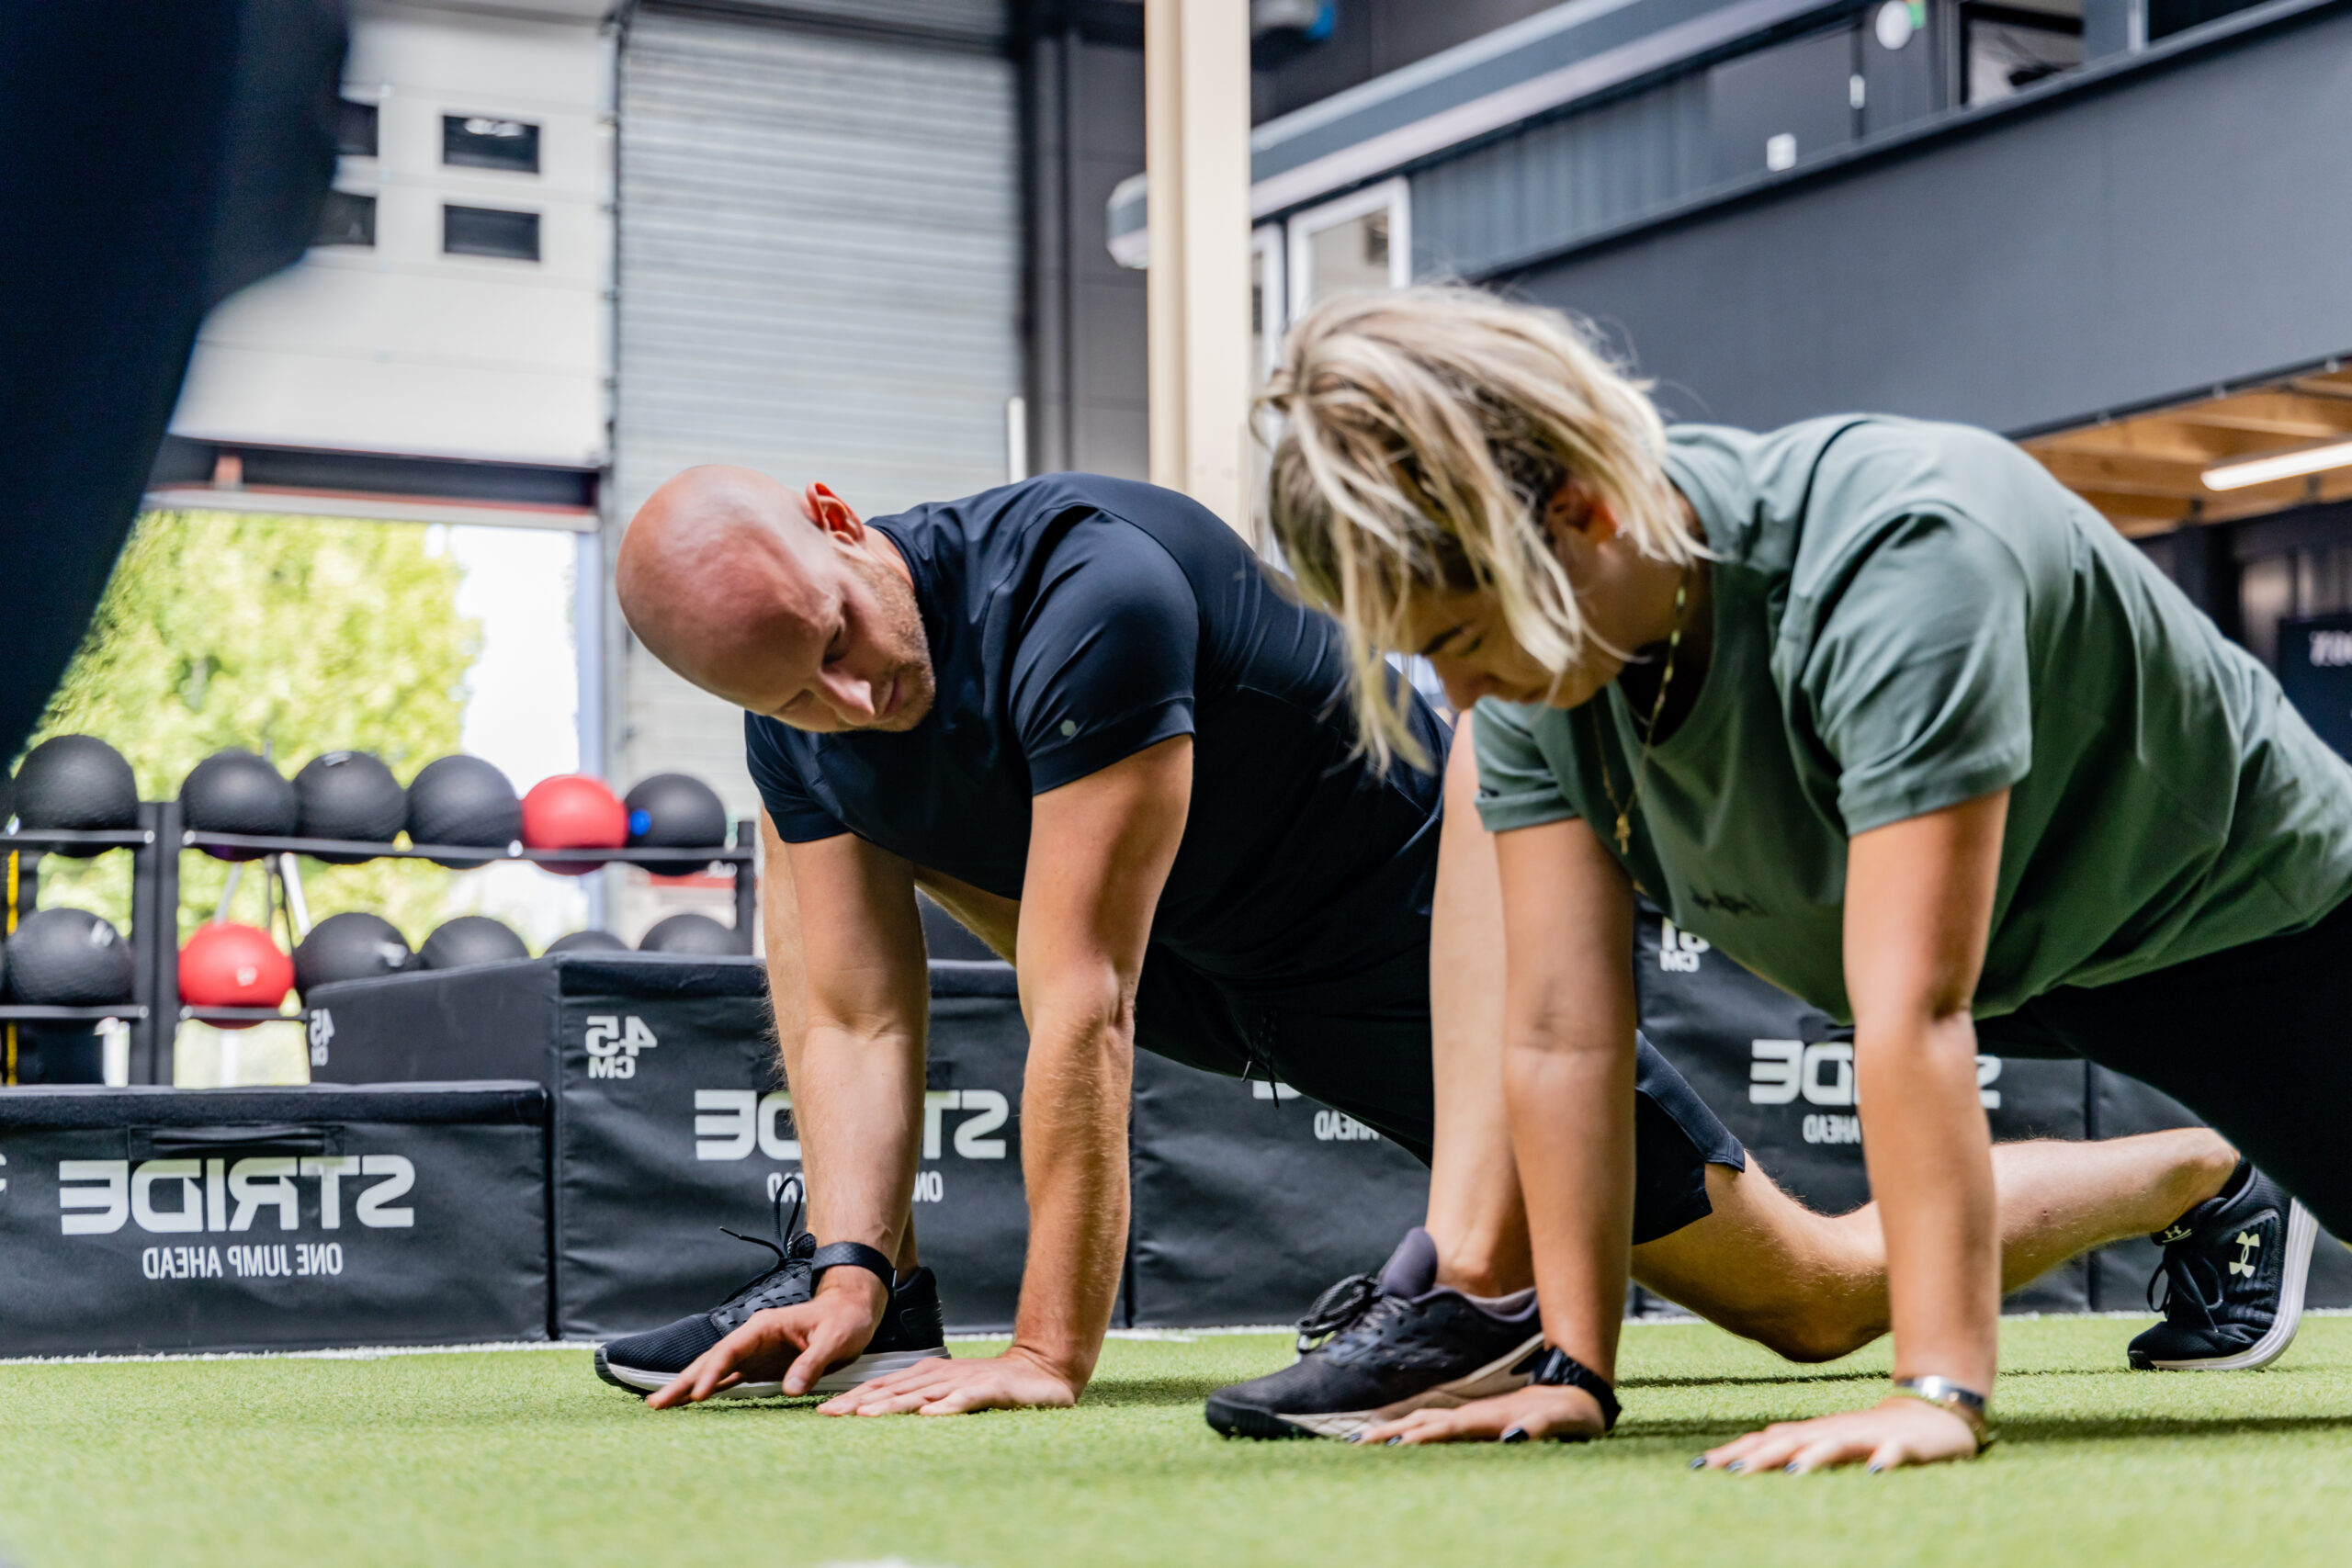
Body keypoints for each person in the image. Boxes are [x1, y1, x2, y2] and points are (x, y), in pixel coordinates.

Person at [600, 461, 2304, 1435]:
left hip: (1401, 926)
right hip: (1218, 960)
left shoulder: (1081, 595)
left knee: (1812, 1299)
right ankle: (875, 1286)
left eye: (838, 640)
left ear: (839, 520)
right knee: (848, 848)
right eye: (782, 694)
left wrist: (1046, 1358)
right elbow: (846, 1014)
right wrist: (855, 1266)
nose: (847, 696)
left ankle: (2209, 1167)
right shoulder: (800, 726)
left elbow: (1079, 1005)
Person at [1260, 283, 2352, 1466]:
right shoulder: (1540, 682)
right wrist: (1572, 1368)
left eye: (1464, 642)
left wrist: (1936, 1392)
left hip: (2247, 930)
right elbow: (1563, 1033)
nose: (1463, 700)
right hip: (2020, 960)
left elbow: (1909, 1006)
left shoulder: (1902, 550)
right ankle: (2206, 1173)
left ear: (1583, 510)